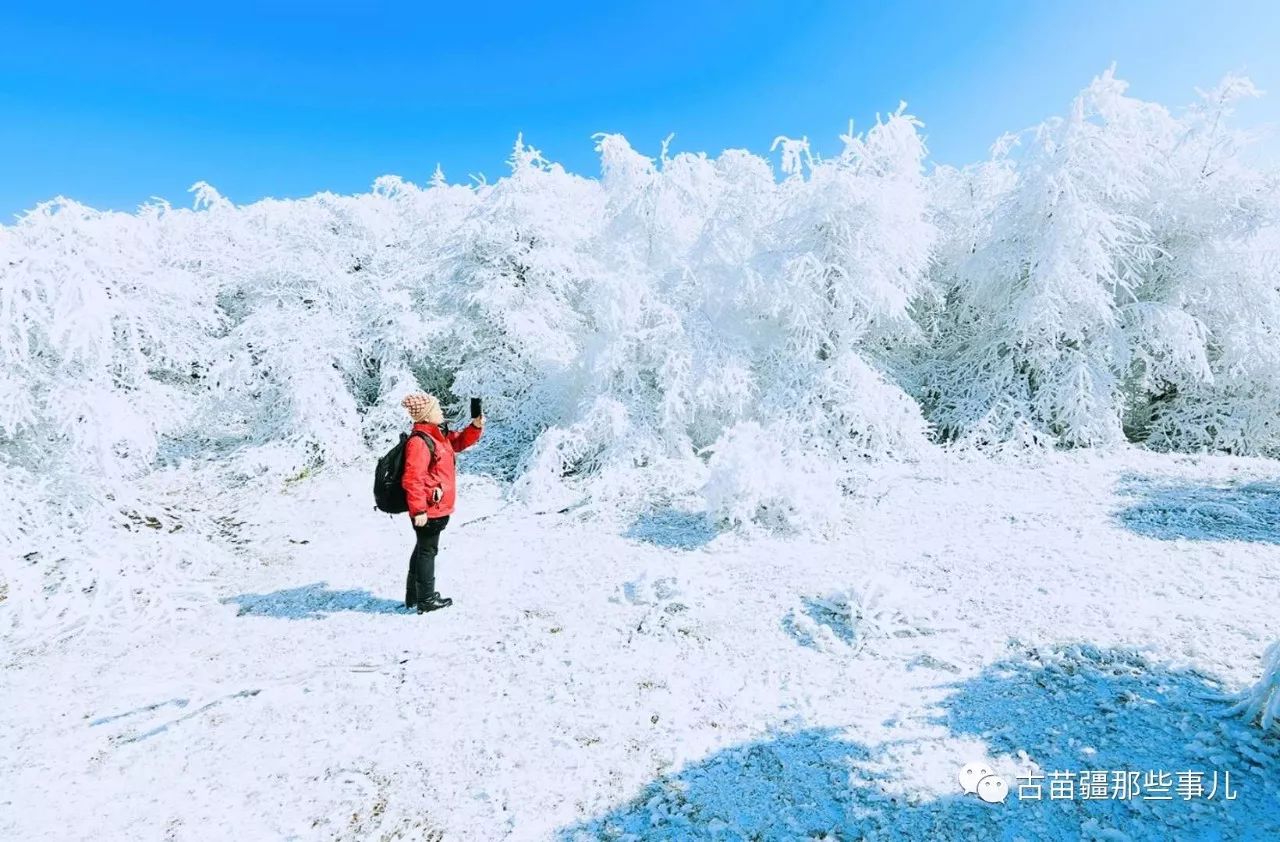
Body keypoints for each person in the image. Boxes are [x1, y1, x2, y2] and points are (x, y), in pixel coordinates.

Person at [400, 392, 483, 614]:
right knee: (428, 551)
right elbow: (412, 478)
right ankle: (426, 599)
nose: (441, 412)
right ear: (426, 416)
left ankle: (414, 596)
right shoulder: (419, 442)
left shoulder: (438, 436)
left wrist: (474, 427)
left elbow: (457, 442)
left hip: (434, 507)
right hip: (428, 509)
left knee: (423, 549)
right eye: (437, 409)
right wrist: (418, 510)